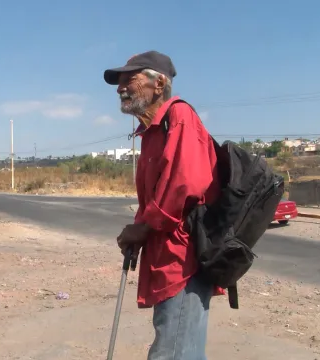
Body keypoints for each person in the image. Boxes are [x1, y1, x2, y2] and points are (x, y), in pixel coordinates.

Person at [104, 51, 223, 359]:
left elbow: (186, 186)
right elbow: (156, 195)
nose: (120, 88)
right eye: (119, 82)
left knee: (172, 352)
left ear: (158, 85)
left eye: (129, 80)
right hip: (165, 257)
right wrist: (139, 229)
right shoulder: (151, 132)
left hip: (183, 260)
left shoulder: (179, 117)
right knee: (179, 348)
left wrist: (143, 228)